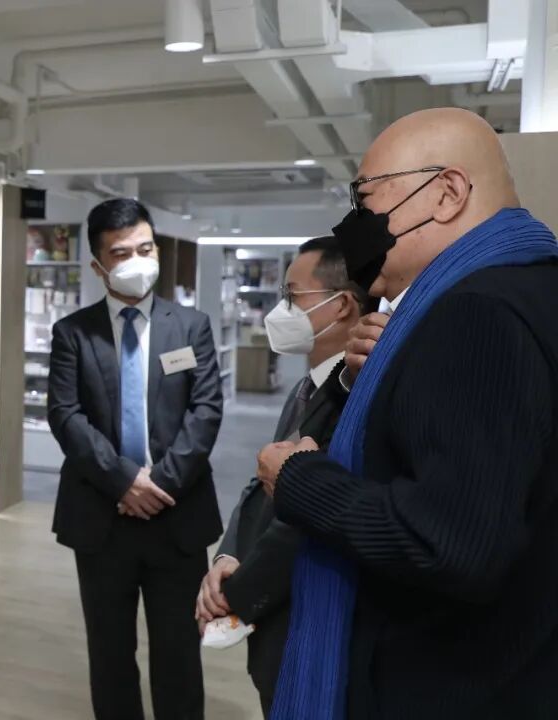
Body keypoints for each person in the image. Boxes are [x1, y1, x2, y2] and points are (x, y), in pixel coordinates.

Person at [259, 107, 558, 720]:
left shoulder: (475, 314)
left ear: (447, 193)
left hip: (451, 680)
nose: (356, 227)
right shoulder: (531, 289)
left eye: (367, 200)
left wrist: (299, 480)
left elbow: (447, 542)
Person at [48, 198, 223, 720]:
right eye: (121, 254)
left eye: (145, 249)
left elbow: (206, 411)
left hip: (177, 515)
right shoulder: (73, 333)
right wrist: (125, 482)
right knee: (109, 654)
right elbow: (65, 415)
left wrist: (157, 485)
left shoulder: (191, 326)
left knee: (179, 652)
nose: (137, 261)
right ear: (98, 265)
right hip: (101, 519)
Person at [197, 237, 366, 718]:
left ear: (342, 305)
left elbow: (302, 519)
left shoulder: (352, 398)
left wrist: (234, 596)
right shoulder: (305, 386)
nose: (282, 309)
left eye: (293, 295)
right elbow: (261, 486)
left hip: (304, 625)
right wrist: (229, 554)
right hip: (274, 631)